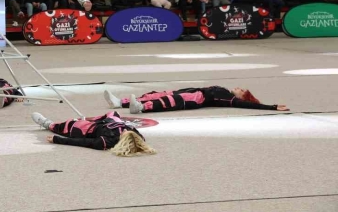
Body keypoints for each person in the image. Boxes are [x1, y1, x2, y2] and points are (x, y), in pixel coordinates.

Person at [31, 111, 156, 156]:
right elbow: (139, 139)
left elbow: (84, 142)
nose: (124, 130)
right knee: (114, 114)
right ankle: (92, 118)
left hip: (90, 129)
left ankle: (48, 124)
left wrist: (57, 139)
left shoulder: (107, 141)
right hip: (109, 120)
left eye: (124, 133)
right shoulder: (135, 135)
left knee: (71, 126)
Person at [104, 87, 289, 113]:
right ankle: (121, 102)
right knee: (156, 93)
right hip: (192, 90)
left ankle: (141, 108)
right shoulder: (226, 91)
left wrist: (271, 107)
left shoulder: (230, 98)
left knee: (169, 100)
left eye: (242, 90)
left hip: (196, 98)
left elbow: (245, 105)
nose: (238, 88)